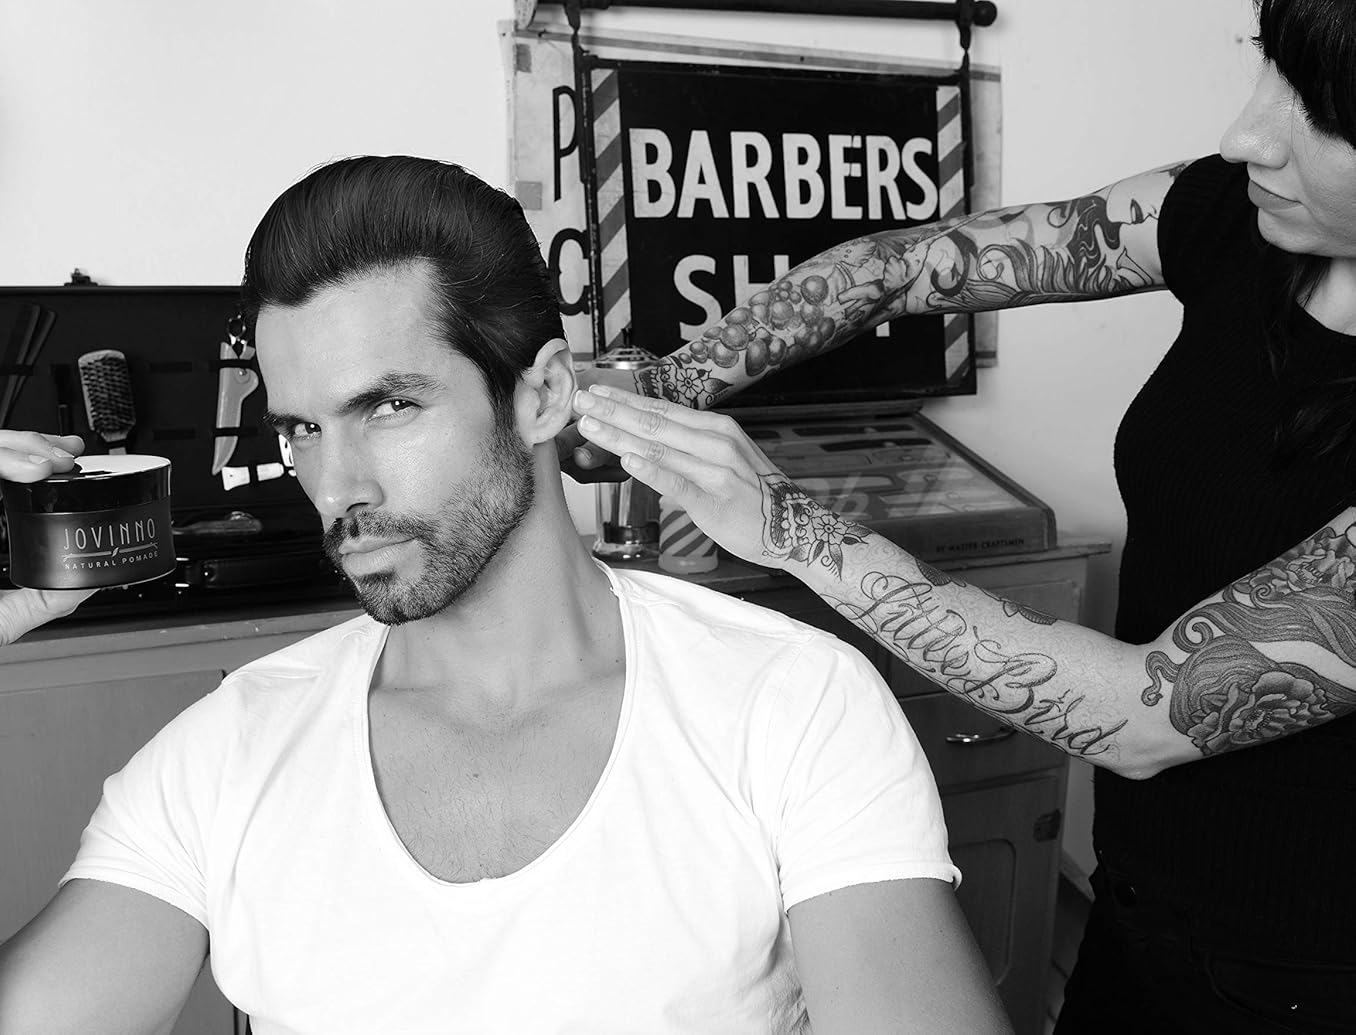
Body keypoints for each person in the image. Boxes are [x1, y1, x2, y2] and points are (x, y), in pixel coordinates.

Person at [0, 155, 1009, 1033]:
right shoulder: (229, 753)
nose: (339, 487)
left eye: (390, 407)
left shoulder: (787, 706)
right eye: (302, 430)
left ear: (541, 395)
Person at [567, 0, 1356, 1030]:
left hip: (1303, 974)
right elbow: (897, 266)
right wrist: (675, 384)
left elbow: (1142, 713)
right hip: (1140, 900)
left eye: (1324, 114)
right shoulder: (1236, 212)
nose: (1246, 134)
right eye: (1266, 67)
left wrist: (789, 527)